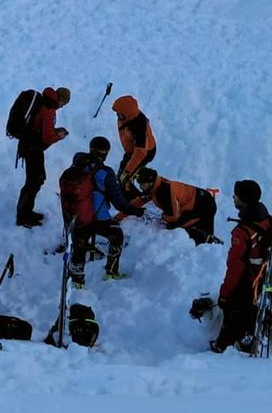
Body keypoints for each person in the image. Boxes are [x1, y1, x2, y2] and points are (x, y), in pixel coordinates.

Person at [67, 136, 142, 287]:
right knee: (116, 236)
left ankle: (77, 280)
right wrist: (136, 211)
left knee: (79, 246)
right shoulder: (106, 173)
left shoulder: (77, 165)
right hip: (99, 219)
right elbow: (119, 202)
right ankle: (111, 271)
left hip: (78, 218)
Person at [211, 180, 272, 353]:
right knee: (247, 309)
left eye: (236, 195)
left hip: (247, 279)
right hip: (261, 275)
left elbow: (235, 266)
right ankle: (245, 337)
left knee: (230, 307)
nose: (233, 197)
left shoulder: (242, 231)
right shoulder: (266, 218)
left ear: (243, 200)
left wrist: (225, 293)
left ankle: (223, 346)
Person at [15, 88, 70, 228]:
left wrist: (55, 132)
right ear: (60, 99)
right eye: (64, 103)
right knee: (34, 180)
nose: (63, 106)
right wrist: (59, 135)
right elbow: (47, 137)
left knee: (36, 179)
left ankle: (26, 212)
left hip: (29, 145)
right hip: (33, 148)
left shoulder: (44, 103)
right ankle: (23, 216)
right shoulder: (49, 109)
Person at [131, 167, 218, 244]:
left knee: (178, 226)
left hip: (205, 206)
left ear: (149, 182)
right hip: (202, 199)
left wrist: (163, 217)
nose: (140, 187)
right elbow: (138, 202)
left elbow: (174, 216)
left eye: (141, 184)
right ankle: (207, 242)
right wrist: (124, 211)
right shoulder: (157, 184)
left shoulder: (164, 192)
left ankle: (208, 244)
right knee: (180, 225)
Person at [112, 95, 157, 190]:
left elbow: (140, 153)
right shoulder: (129, 117)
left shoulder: (139, 127)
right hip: (133, 151)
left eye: (119, 113)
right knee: (124, 171)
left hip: (144, 153)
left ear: (127, 113)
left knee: (126, 176)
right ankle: (125, 180)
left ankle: (133, 192)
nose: (117, 115)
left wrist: (127, 172)